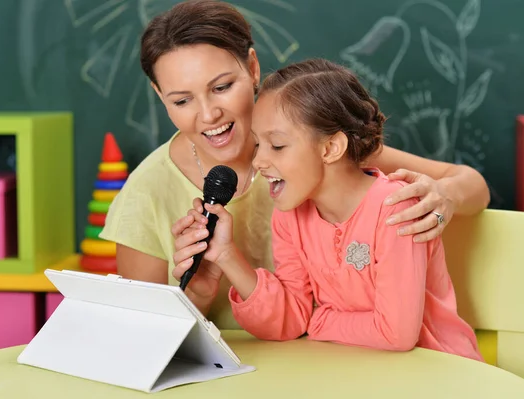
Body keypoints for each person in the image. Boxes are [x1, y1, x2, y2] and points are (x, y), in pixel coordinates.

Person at [99, 0, 490, 329]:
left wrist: (444, 196)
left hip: (345, 357)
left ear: (252, 68)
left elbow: (471, 184)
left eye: (221, 87)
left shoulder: (318, 148)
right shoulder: (147, 192)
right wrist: (196, 296)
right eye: (181, 101)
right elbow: (145, 335)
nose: (208, 115)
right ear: (159, 94)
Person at [174, 57, 483, 361]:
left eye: (277, 145)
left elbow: (396, 334)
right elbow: (291, 321)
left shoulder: (394, 209)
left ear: (331, 148)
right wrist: (227, 255)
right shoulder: (289, 215)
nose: (258, 161)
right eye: (258, 145)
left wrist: (318, 320)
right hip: (354, 368)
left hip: (437, 369)